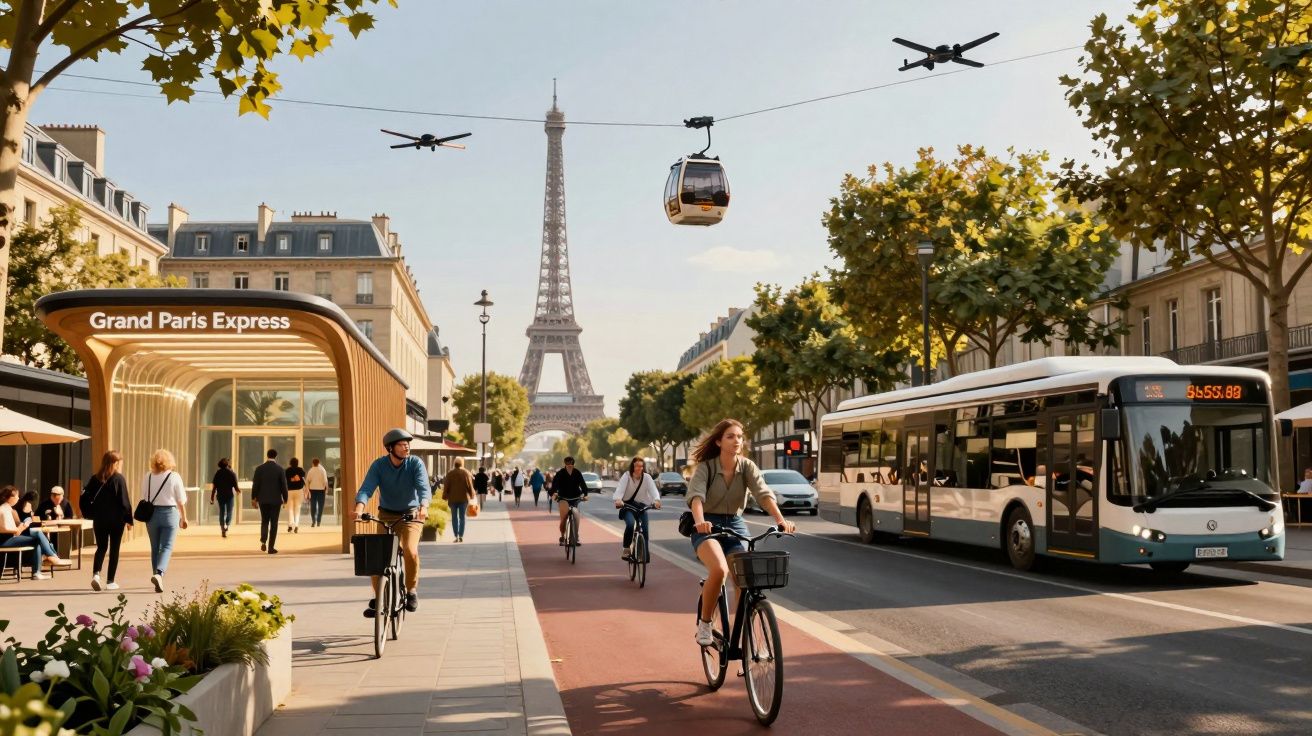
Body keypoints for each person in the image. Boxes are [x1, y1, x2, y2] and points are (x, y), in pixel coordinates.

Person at [688, 419, 795, 646]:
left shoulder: (747, 466)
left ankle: (742, 632)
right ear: (719, 442)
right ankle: (705, 624)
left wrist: (780, 520)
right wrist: (700, 522)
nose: (737, 440)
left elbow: (763, 494)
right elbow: (696, 498)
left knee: (744, 579)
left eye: (739, 436)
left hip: (735, 524)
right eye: (730, 436)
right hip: (707, 524)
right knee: (719, 570)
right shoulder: (707, 467)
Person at [354, 428, 430, 616]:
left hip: (411, 515)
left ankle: (411, 591)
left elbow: (423, 487)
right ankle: (379, 597)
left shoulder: (415, 463)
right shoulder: (379, 466)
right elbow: (366, 488)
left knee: (410, 550)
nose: (406, 447)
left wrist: (424, 506)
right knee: (376, 556)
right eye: (402, 445)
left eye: (407, 444)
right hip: (386, 515)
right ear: (390, 448)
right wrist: (359, 508)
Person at [83, 450, 132, 590]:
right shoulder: (119, 479)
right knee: (114, 549)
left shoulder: (95, 478)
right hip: (117, 521)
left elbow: (85, 498)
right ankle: (110, 581)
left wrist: (90, 513)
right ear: (115, 463)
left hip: (99, 519)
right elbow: (124, 501)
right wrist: (129, 520)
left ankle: (96, 575)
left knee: (101, 547)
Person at [144, 449, 189, 593]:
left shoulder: (148, 476)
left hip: (151, 514)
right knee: (167, 547)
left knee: (155, 547)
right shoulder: (174, 476)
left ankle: (156, 575)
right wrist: (184, 518)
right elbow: (180, 500)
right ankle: (159, 574)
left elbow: (144, 496)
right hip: (170, 513)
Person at [1, 485, 69, 579]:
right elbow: (7, 530)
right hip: (5, 540)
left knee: (37, 537)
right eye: (16, 496)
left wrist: (22, 525)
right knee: (37, 535)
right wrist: (23, 526)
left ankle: (39, 569)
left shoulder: (8, 509)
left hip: (9, 538)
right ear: (10, 498)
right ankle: (51, 557)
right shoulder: (4, 509)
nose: (18, 498)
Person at [613, 457, 661, 560]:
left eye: (641, 466)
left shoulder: (647, 477)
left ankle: (644, 555)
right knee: (630, 524)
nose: (639, 468)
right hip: (627, 506)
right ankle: (626, 549)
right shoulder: (627, 476)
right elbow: (620, 489)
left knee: (645, 529)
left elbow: (653, 490)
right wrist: (618, 500)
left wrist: (656, 500)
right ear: (632, 467)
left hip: (641, 506)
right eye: (637, 466)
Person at [251, 449, 288, 554]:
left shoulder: (259, 469)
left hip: (263, 500)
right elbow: (283, 485)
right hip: (276, 500)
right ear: (276, 456)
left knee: (264, 521)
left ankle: (263, 540)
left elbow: (255, 484)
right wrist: (285, 498)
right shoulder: (280, 469)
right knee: (274, 523)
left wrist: (253, 498)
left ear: (267, 456)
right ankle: (271, 547)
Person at [552, 456, 588, 545]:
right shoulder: (560, 473)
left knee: (576, 517)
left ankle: (576, 537)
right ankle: (562, 536)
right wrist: (554, 493)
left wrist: (585, 494)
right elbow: (555, 484)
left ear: (573, 464)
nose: (569, 465)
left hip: (576, 497)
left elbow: (583, 484)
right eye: (567, 464)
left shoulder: (577, 472)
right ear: (565, 464)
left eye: (571, 464)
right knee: (563, 517)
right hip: (563, 497)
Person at [441, 457, 476, 543]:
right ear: (462, 463)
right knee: (462, 517)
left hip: (452, 499)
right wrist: (472, 495)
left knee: (454, 517)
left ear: (454, 464)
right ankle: (461, 535)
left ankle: (456, 535)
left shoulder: (450, 473)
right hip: (464, 498)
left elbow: (446, 486)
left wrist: (444, 496)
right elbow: (469, 485)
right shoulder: (466, 473)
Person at [210, 458, 239, 538]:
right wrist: (238, 491)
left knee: (222, 512)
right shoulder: (231, 473)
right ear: (227, 464)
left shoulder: (218, 473)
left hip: (220, 496)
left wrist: (212, 497)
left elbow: (214, 487)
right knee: (229, 511)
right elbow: (235, 485)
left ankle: (222, 528)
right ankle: (227, 524)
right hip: (229, 496)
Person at [306, 458, 330, 527]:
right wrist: (327, 489)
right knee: (321, 506)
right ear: (319, 463)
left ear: (312, 463)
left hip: (312, 490)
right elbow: (325, 481)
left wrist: (307, 490)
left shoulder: (310, 470)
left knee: (313, 505)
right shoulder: (322, 470)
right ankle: (319, 521)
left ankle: (313, 520)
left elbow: (307, 481)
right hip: (321, 490)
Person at [285, 457, 306, 533]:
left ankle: (290, 525)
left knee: (290, 509)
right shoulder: (301, 470)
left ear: (290, 463)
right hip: (299, 491)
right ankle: (296, 525)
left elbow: (285, 481)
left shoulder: (287, 470)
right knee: (297, 508)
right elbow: (303, 479)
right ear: (297, 463)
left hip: (289, 491)